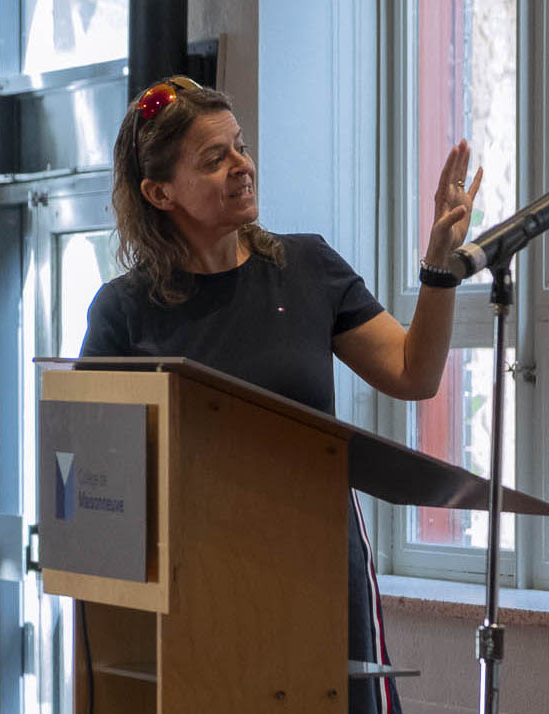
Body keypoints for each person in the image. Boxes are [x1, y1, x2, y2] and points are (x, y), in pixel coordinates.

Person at [80, 76, 482, 714]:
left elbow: (414, 373)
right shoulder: (125, 311)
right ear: (159, 192)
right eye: (214, 159)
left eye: (240, 147)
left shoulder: (307, 267)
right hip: (202, 575)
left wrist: (439, 267)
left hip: (320, 559)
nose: (242, 165)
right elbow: (94, 479)